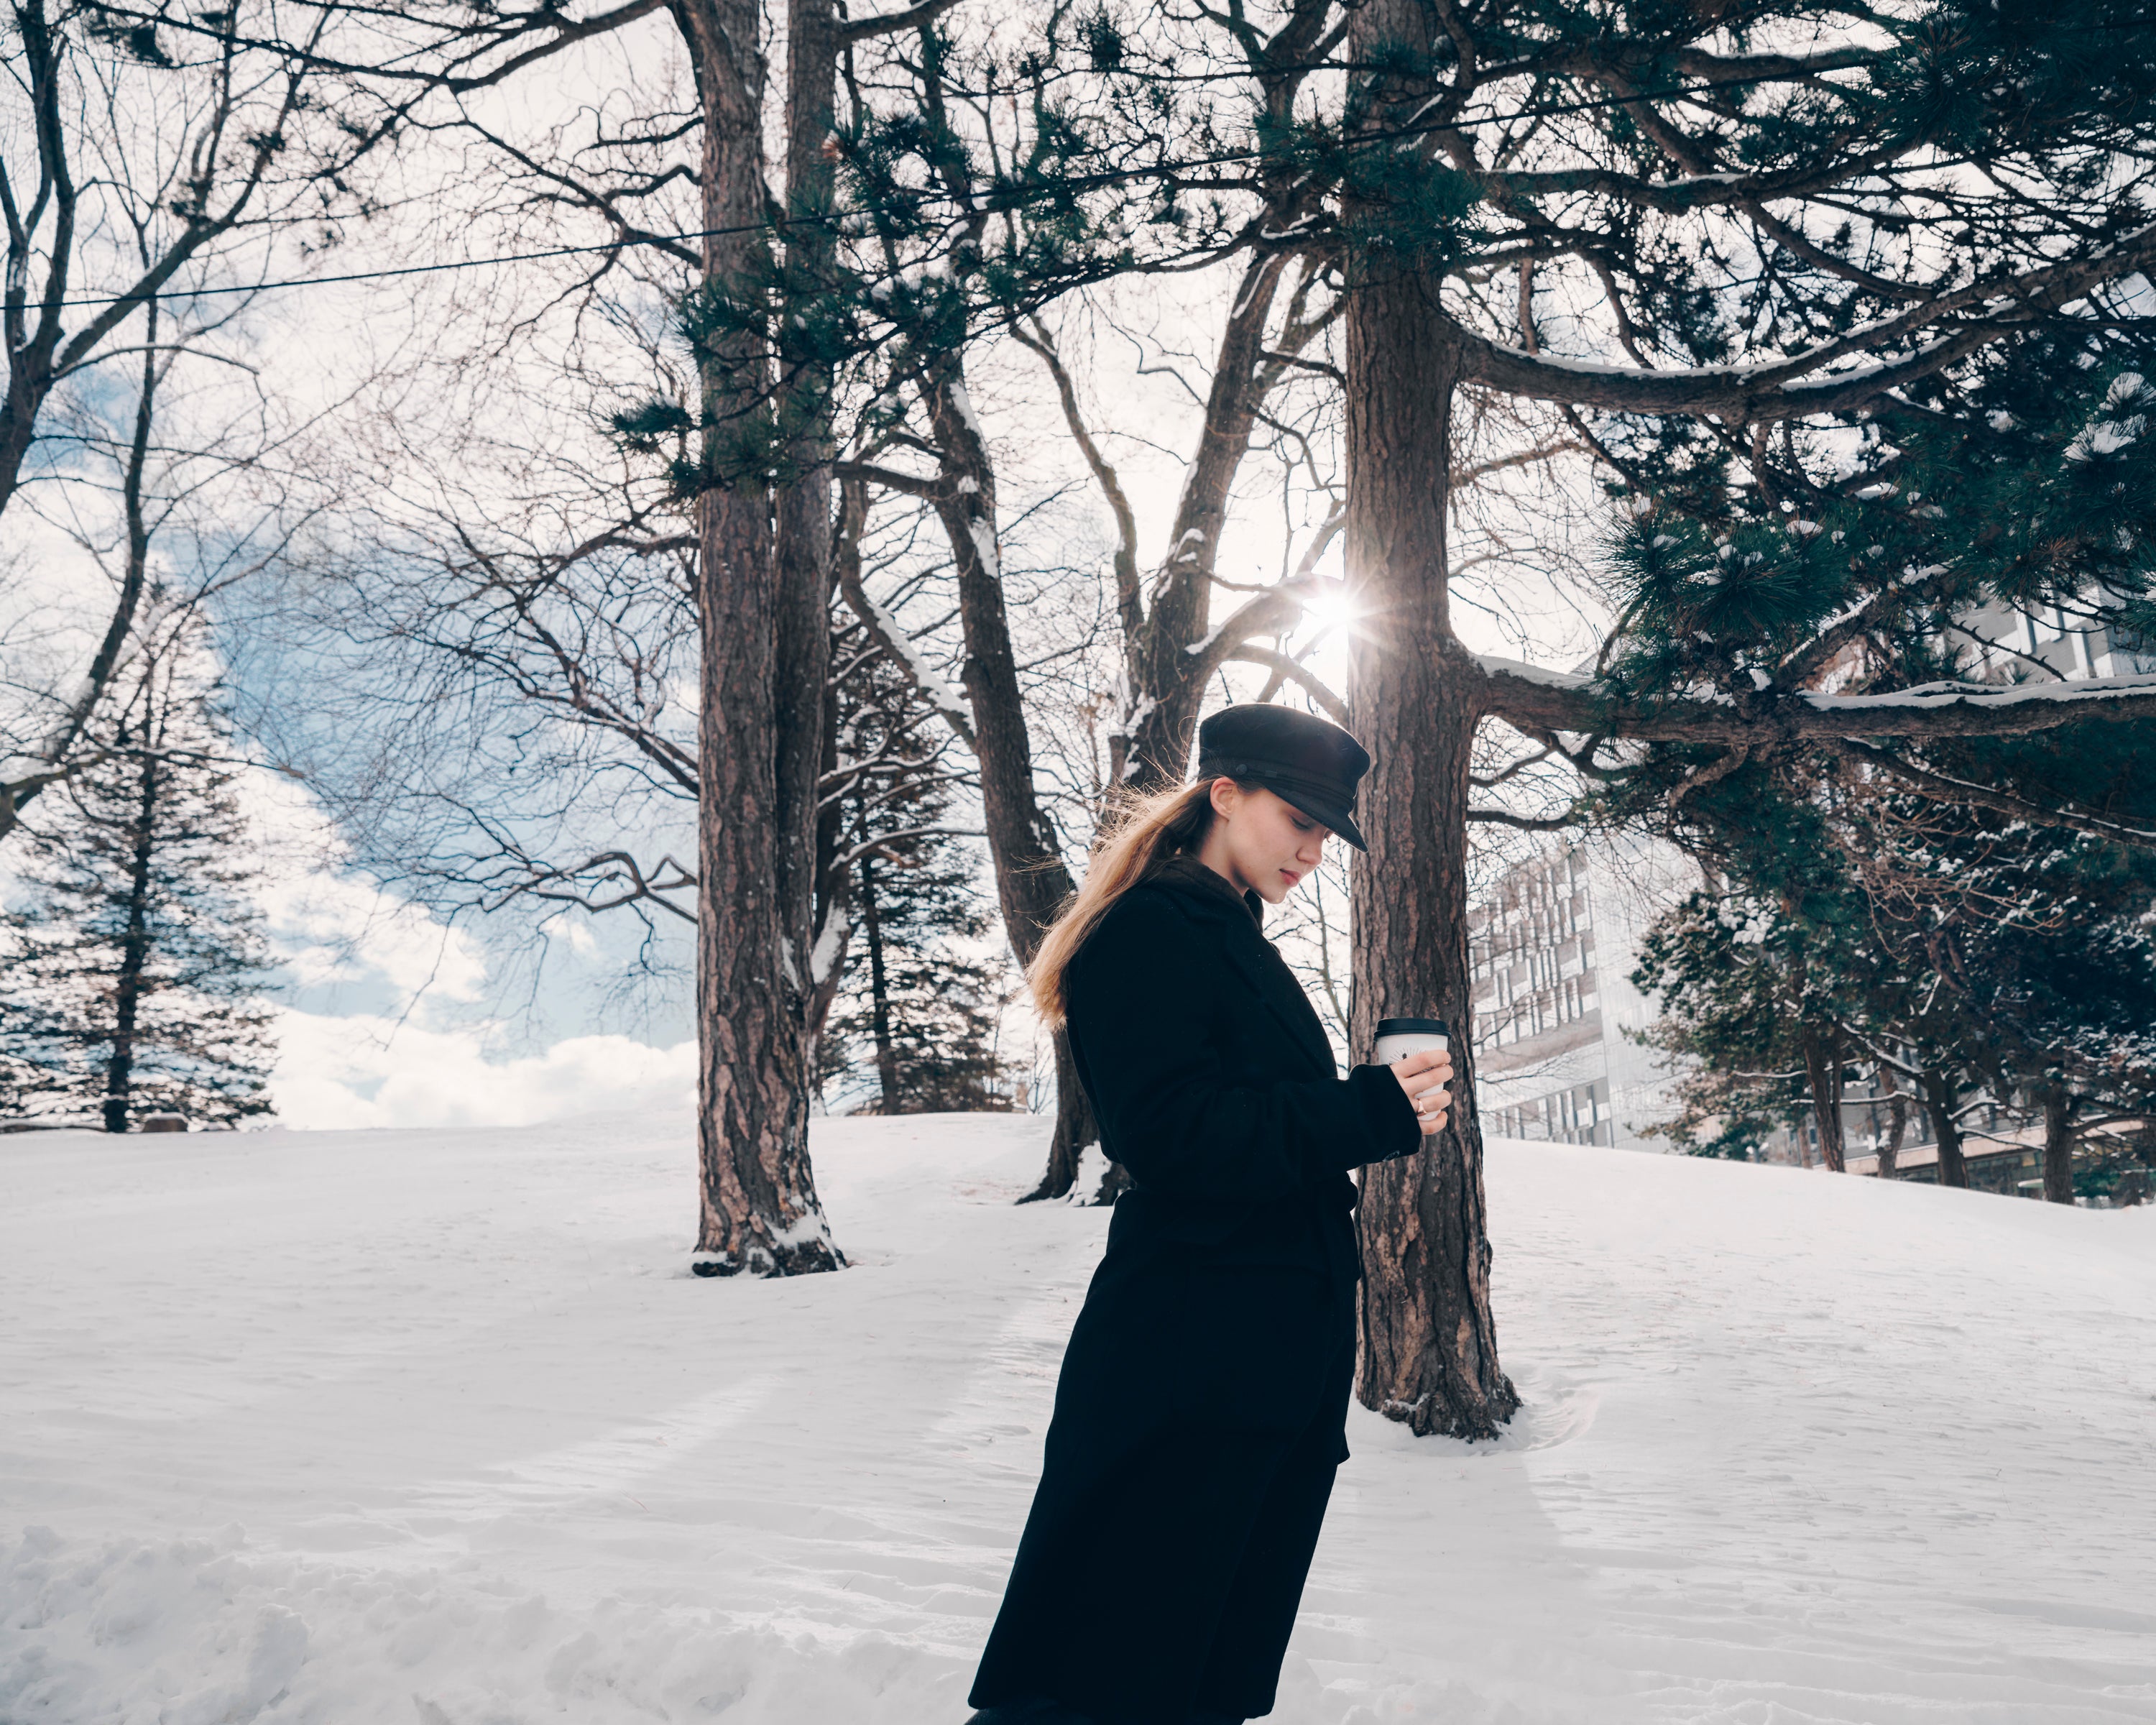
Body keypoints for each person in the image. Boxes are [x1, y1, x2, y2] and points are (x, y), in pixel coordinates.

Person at [964, 704, 1455, 1725]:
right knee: (1111, 1673)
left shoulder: (1224, 934)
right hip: (1191, 1367)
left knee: (1187, 1677)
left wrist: (1366, 1111)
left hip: (1257, 1370)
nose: (1314, 852)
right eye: (1300, 821)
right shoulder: (1148, 930)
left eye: (1327, 834)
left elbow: (1246, 1125)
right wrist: (1368, 1109)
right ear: (1223, 795)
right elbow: (1173, 1135)